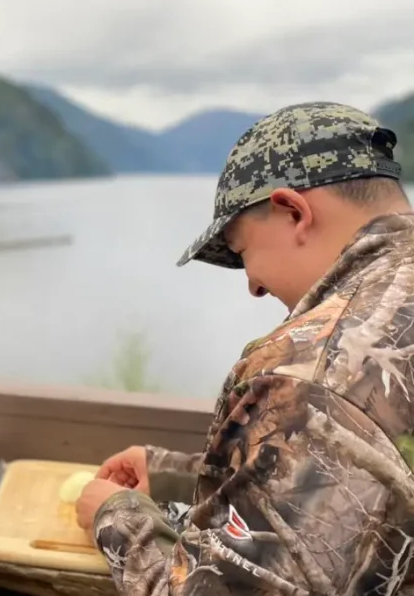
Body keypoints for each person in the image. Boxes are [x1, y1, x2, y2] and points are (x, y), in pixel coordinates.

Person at [75, 102, 414, 594]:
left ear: (294, 212)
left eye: (241, 251)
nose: (252, 286)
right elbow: (364, 476)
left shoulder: (318, 373)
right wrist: (172, 475)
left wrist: (116, 518)